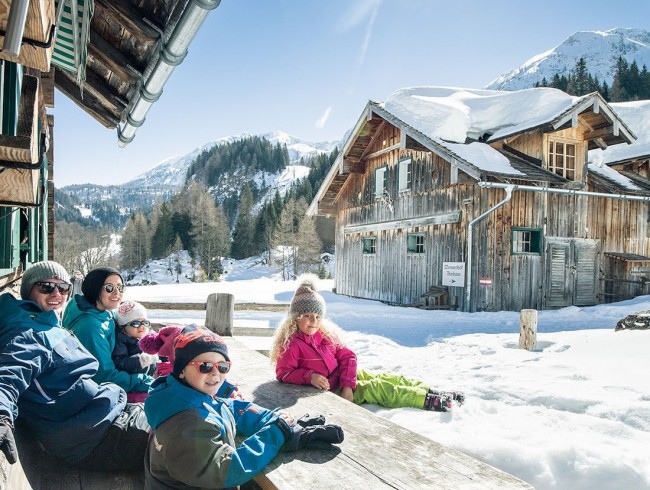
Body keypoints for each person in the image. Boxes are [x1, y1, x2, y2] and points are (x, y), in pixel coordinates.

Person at [144, 325, 344, 489]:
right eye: (205, 366)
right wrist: (275, 433)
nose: (215, 374)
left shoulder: (188, 397)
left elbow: (233, 410)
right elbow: (229, 470)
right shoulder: (186, 424)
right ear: (181, 370)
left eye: (222, 367)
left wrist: (275, 421)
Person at [0, 261, 149, 470]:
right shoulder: (27, 331)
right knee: (177, 444)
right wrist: (2, 415)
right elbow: (12, 370)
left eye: (63, 288)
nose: (56, 294)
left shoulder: (45, 320)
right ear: (28, 289)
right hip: (90, 433)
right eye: (46, 287)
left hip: (99, 412)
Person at [270, 274, 465, 412]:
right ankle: (428, 401)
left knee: (386, 378)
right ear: (295, 318)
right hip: (330, 388)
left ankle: (430, 390)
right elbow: (284, 372)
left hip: (342, 379)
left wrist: (348, 383)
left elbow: (347, 355)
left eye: (318, 316)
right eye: (307, 316)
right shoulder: (292, 344)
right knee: (379, 388)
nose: (314, 321)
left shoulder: (324, 335)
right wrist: (309, 376)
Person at [63, 266, 153, 395]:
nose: (117, 293)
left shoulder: (104, 312)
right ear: (94, 289)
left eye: (120, 287)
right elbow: (104, 376)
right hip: (97, 391)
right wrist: (145, 381)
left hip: (119, 378)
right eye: (109, 288)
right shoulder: (90, 327)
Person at [113, 301, 159, 403]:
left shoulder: (148, 337)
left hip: (148, 379)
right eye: (136, 323)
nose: (142, 327)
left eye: (145, 322)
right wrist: (141, 360)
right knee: (148, 399)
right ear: (123, 327)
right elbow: (120, 362)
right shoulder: (121, 340)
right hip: (132, 386)